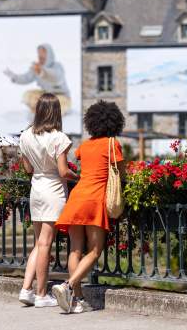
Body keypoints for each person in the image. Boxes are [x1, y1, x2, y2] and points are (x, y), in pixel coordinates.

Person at [52, 100, 125, 314]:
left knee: (75, 249)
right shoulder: (112, 144)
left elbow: (83, 164)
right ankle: (66, 285)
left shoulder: (85, 145)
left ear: (91, 122)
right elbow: (121, 173)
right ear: (115, 122)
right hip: (94, 201)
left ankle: (78, 299)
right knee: (94, 251)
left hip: (77, 198)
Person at [17, 93, 78, 308]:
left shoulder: (25, 136)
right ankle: (41, 294)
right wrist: (77, 176)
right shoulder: (59, 138)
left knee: (38, 243)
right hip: (53, 191)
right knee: (45, 243)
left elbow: (27, 169)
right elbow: (63, 171)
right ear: (56, 112)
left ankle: (27, 289)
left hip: (36, 189)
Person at [3, 44, 72, 116]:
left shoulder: (57, 66)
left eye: (43, 52)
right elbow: (26, 78)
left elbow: (56, 77)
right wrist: (13, 76)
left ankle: (53, 112)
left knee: (54, 104)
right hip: (47, 94)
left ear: (49, 54)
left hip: (62, 96)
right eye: (39, 53)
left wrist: (42, 72)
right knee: (28, 95)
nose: (40, 55)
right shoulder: (37, 67)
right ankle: (41, 110)